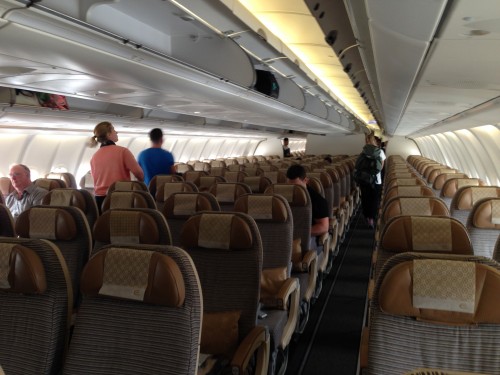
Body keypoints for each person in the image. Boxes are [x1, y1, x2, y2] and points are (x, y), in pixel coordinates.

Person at [88, 121, 144, 211]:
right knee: (122, 223)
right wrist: (141, 184)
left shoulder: (94, 156)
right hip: (119, 196)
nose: (116, 132)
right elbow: (139, 173)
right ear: (108, 134)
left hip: (99, 199)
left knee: (106, 223)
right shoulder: (123, 151)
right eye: (114, 129)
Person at [286, 164, 329, 253]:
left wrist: (298, 233)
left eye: (296, 186)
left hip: (309, 236)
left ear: (306, 181)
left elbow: (323, 227)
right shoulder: (283, 198)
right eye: (290, 186)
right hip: (286, 236)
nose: (293, 189)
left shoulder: (318, 200)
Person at [357, 133, 386, 229]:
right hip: (376, 180)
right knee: (374, 199)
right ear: (375, 141)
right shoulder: (380, 151)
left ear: (366, 141)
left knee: (365, 199)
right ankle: (371, 219)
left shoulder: (363, 151)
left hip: (364, 179)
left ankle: (366, 216)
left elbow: (359, 165)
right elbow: (381, 167)